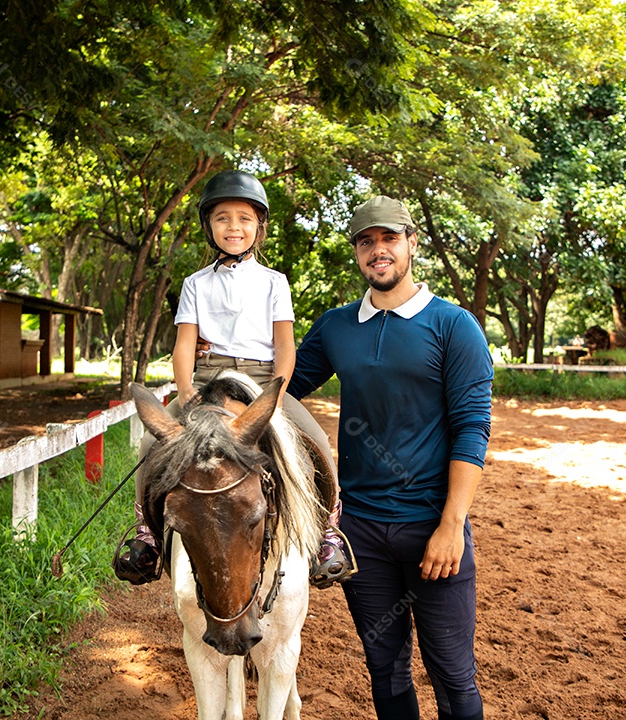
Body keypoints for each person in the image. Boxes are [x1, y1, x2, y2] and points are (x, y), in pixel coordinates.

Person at [286, 196, 493, 720]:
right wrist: (215, 362)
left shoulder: (454, 326)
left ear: (411, 244)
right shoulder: (336, 327)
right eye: (366, 241)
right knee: (386, 666)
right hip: (360, 530)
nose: (379, 251)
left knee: (452, 673)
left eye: (389, 239)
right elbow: (280, 387)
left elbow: (473, 429)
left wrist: (452, 525)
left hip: (431, 529)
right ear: (356, 252)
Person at [112, 169, 355, 589]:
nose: (233, 227)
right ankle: (148, 534)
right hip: (208, 378)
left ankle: (326, 531)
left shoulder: (274, 282)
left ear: (258, 226)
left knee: (316, 439)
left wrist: (277, 397)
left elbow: (285, 345)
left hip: (262, 379)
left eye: (244, 219)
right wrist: (186, 388)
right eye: (223, 218)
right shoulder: (195, 284)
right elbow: (185, 343)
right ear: (209, 226)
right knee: (152, 441)